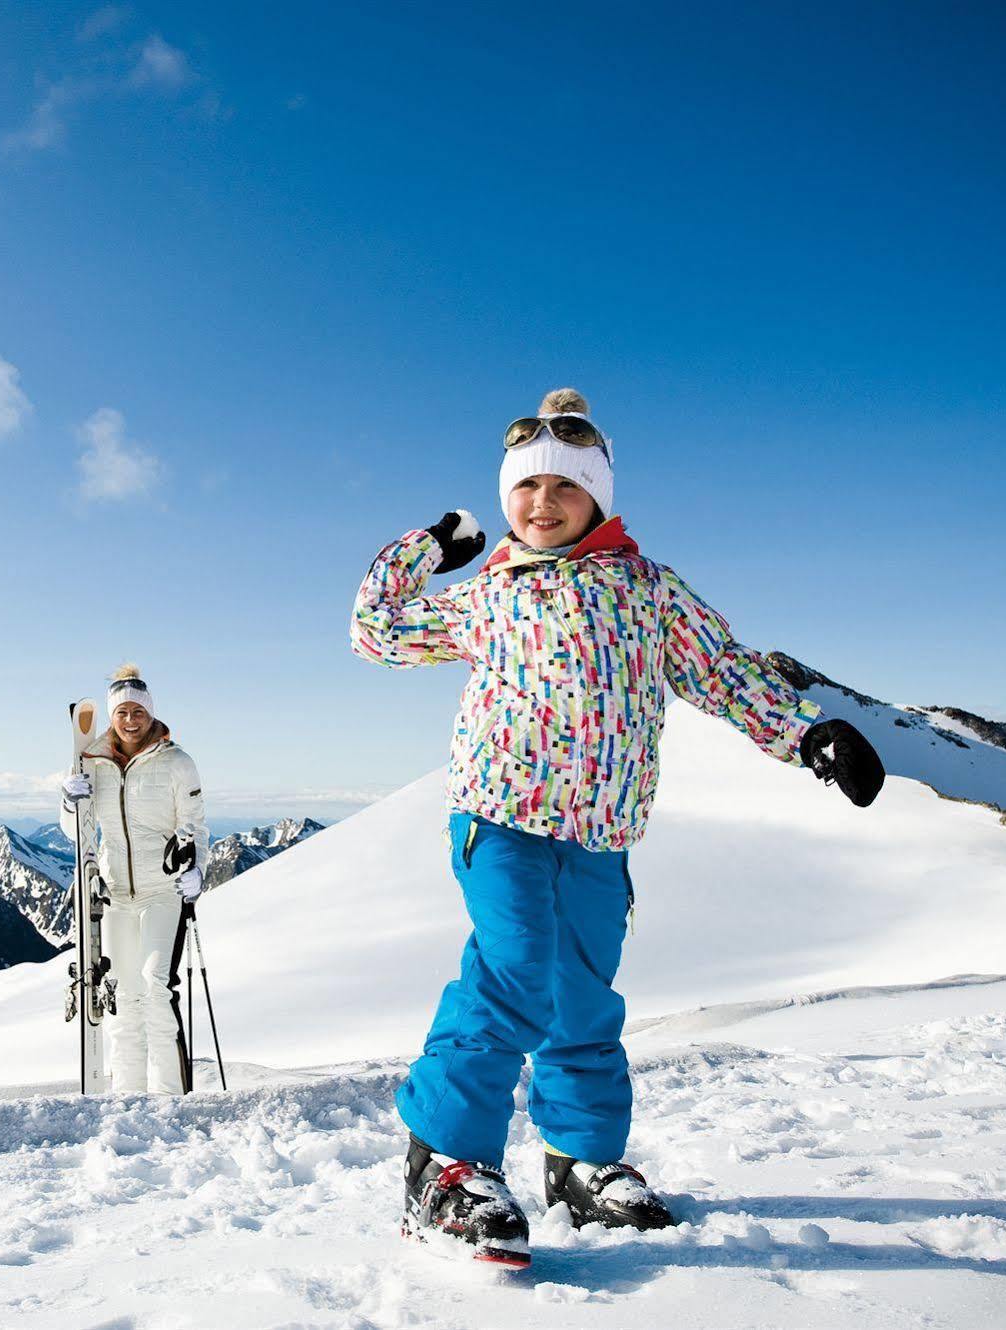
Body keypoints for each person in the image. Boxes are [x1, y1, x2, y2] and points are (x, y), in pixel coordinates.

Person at [351, 387, 885, 1267]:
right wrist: (428, 547)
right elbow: (376, 630)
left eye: (564, 486)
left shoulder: (645, 590)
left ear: (599, 496)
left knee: (583, 996)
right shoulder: (487, 594)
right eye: (524, 488)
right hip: (501, 818)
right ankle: (444, 1164)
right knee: (512, 972)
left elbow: (720, 670)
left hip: (601, 831)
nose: (541, 502)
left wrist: (803, 732)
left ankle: (580, 1162)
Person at [59, 664, 209, 1095]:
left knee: (155, 988)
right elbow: (76, 833)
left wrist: (197, 869)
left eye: (137, 711)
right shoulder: (93, 763)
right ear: (112, 717)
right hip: (116, 895)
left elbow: (195, 826)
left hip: (162, 891)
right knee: (123, 997)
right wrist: (68, 802)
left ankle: (171, 1099)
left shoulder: (178, 762)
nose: (130, 719)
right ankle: (129, 1098)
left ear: (150, 713)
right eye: (122, 712)